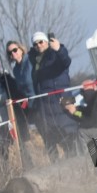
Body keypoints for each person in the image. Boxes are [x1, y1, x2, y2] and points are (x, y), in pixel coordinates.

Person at [30, 30, 73, 158]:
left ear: (46, 42)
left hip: (64, 97)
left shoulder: (55, 52)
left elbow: (66, 61)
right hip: (47, 103)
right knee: (54, 134)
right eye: (35, 44)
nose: (39, 45)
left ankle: (80, 158)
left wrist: (59, 49)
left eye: (41, 42)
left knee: (71, 129)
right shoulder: (36, 61)